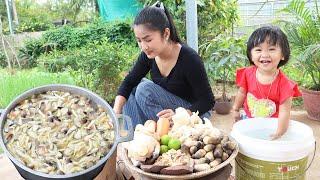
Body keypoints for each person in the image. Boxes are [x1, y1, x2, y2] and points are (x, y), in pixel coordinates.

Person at [113, 1, 215, 128]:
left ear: (166, 34)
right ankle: (136, 138)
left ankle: (164, 132)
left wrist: (180, 115)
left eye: (148, 40)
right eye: (139, 41)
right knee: (132, 88)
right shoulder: (148, 55)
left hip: (194, 115)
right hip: (166, 110)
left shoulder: (189, 58)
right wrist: (115, 112)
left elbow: (208, 101)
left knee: (144, 90)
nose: (143, 47)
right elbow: (129, 82)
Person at [232, 26, 301, 140]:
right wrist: (235, 109)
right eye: (258, 50)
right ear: (251, 55)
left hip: (272, 125)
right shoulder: (247, 73)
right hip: (248, 119)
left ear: (283, 54)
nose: (265, 54)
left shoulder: (286, 85)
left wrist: (279, 133)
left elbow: (284, 112)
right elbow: (242, 92)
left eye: (271, 49)